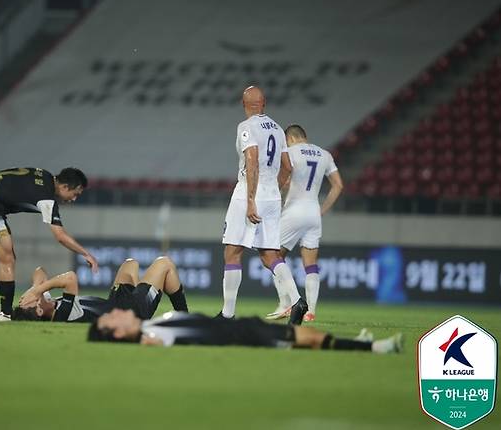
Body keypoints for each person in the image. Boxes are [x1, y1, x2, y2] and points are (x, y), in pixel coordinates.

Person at [0, 166, 99, 322]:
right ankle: (6, 314)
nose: (73, 199)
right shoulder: (47, 198)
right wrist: (86, 253)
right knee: (8, 259)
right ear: (64, 186)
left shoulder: (45, 175)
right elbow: (60, 236)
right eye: (75, 194)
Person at [219, 86, 307, 324]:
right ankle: (298, 300)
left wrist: (250, 200)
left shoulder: (246, 127)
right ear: (264, 103)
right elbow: (288, 166)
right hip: (271, 197)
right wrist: (273, 191)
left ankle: (227, 314)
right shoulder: (278, 129)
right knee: (270, 255)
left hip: (250, 194)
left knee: (232, 252)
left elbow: (252, 159)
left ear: (243, 103)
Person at [266, 125, 343, 321]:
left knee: (272, 255)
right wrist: (323, 210)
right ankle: (311, 311)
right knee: (310, 263)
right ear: (305, 136)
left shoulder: (289, 152)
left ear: (288, 138)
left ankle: (286, 303)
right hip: (313, 212)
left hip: (294, 210)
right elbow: (338, 185)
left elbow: (283, 180)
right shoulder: (324, 154)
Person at [87, 308, 403, 354]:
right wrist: (145, 343)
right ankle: (375, 349)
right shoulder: (150, 335)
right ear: (116, 334)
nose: (115, 311)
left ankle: (360, 344)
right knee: (312, 340)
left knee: (312, 335)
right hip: (241, 336)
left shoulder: (151, 323)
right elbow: (159, 344)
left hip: (240, 325)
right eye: (110, 319)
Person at [12, 256, 188, 322]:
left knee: (130, 264)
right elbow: (70, 278)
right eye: (35, 300)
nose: (39, 295)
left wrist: (35, 288)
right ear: (40, 310)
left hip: (115, 304)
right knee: (165, 263)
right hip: (131, 313)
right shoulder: (62, 313)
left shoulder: (47, 303)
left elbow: (39, 271)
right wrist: (37, 291)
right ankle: (185, 317)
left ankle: (143, 293)